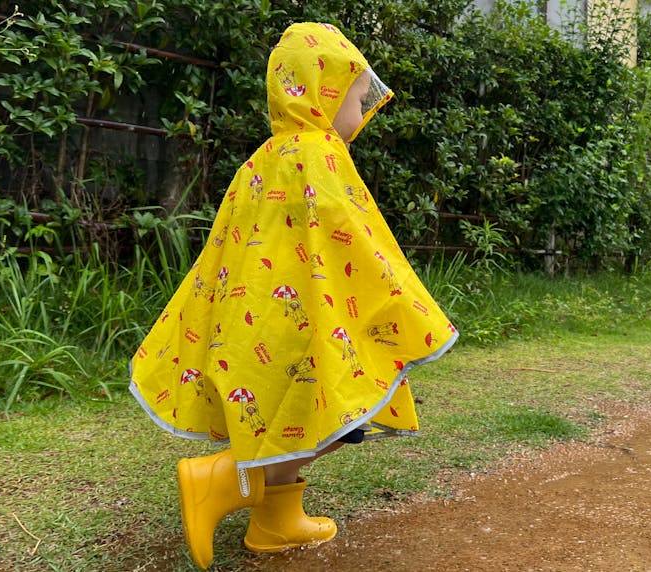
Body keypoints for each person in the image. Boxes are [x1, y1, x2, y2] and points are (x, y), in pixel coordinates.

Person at [128, 22, 458, 570]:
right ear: (322, 92)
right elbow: (352, 232)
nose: (361, 113)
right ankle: (222, 479)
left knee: (304, 413)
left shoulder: (265, 157)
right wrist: (401, 299)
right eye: (355, 99)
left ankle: (275, 522)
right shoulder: (321, 154)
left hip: (263, 320)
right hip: (308, 320)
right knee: (329, 413)